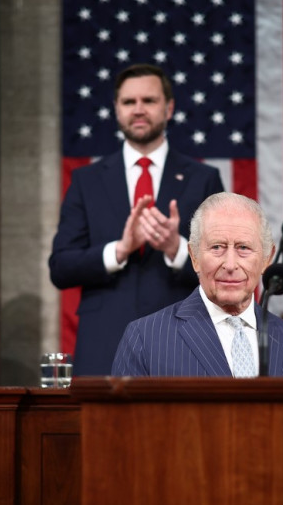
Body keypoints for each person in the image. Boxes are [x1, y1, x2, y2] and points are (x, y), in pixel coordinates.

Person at [49, 64, 225, 375]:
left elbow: (223, 265)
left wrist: (176, 248)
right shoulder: (86, 180)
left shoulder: (203, 179)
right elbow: (61, 267)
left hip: (183, 341)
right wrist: (119, 250)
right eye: (129, 102)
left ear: (169, 108)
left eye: (149, 100)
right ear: (117, 109)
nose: (138, 110)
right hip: (104, 343)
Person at [112, 192, 283, 378]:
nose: (230, 264)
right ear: (194, 257)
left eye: (243, 248)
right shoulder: (145, 338)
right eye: (217, 247)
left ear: (267, 258)